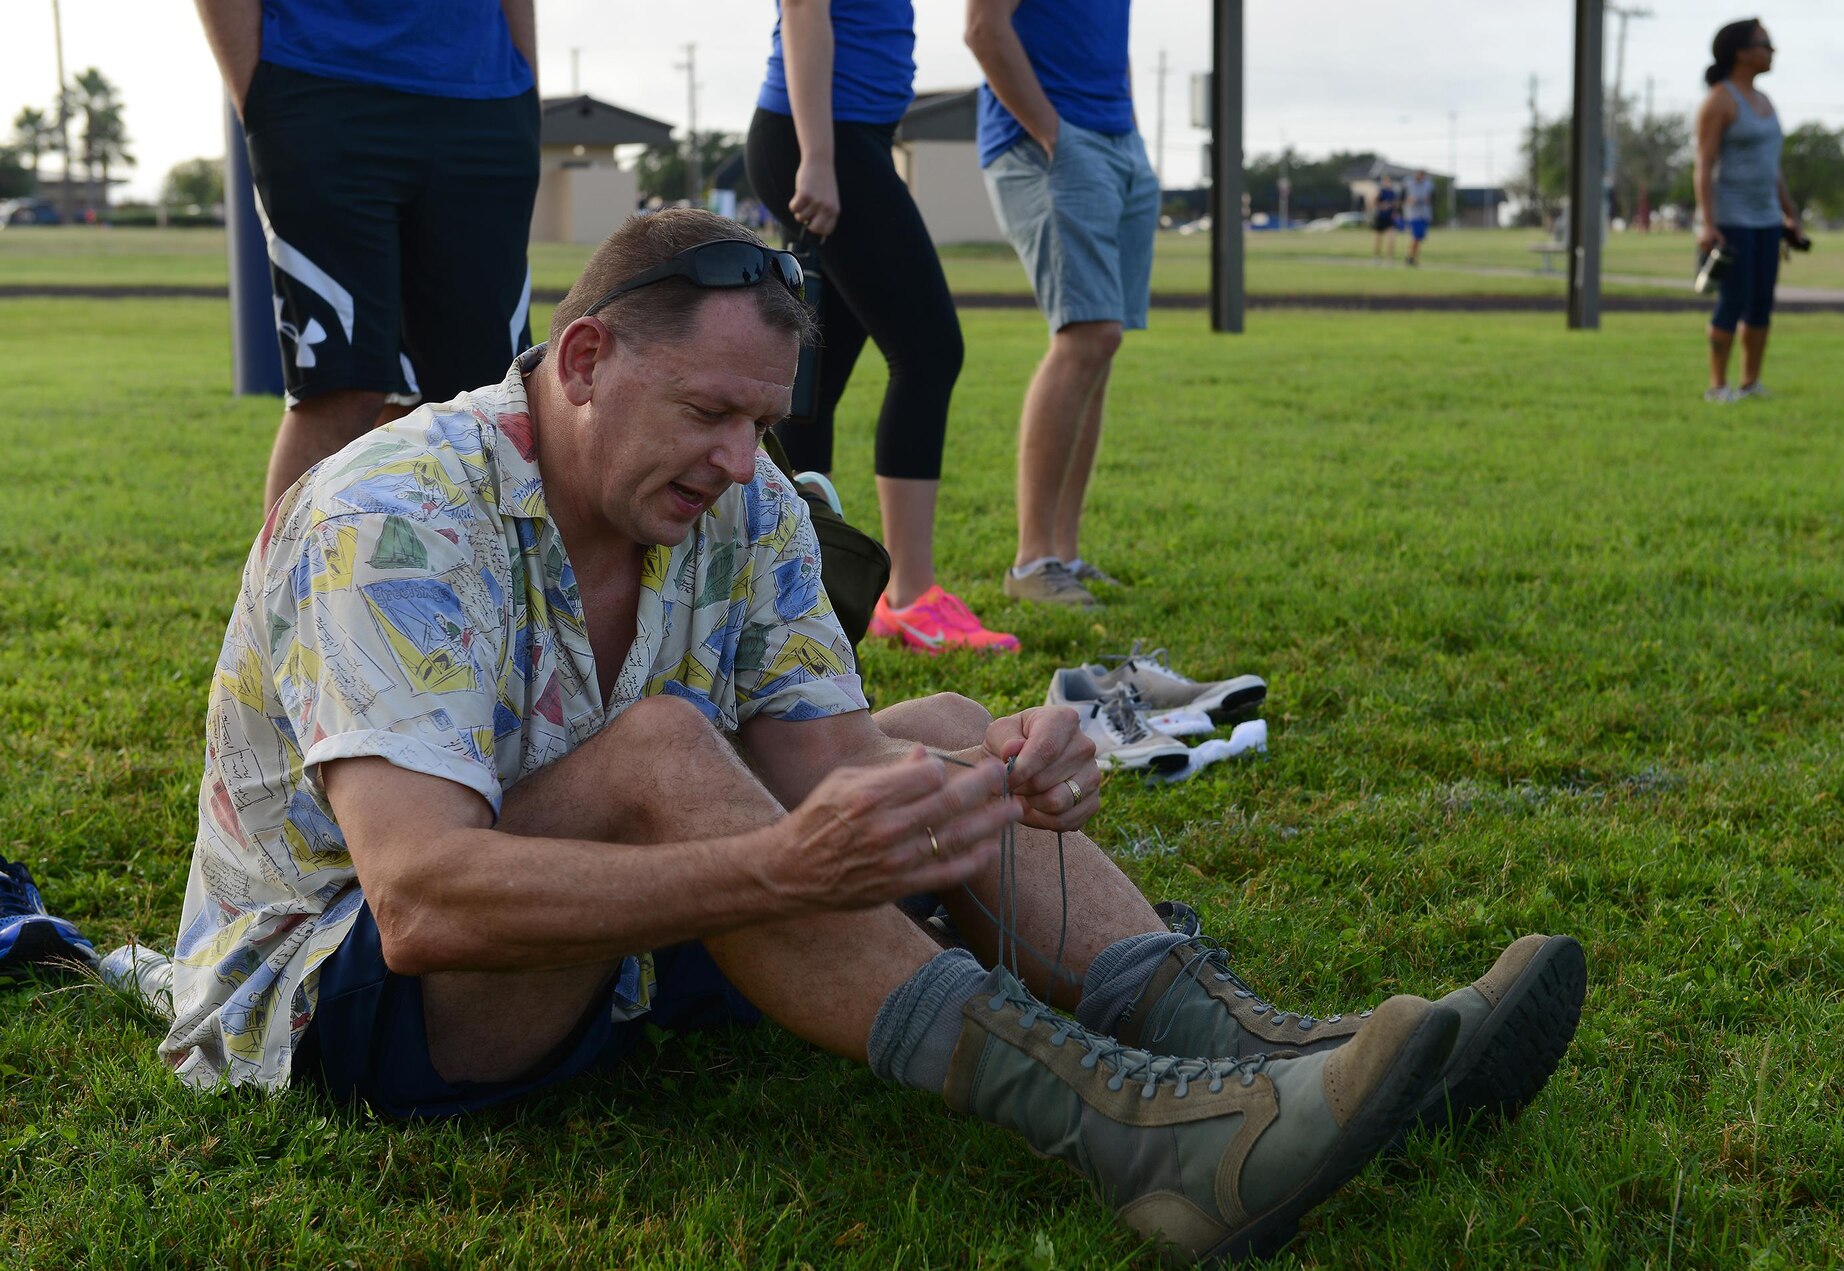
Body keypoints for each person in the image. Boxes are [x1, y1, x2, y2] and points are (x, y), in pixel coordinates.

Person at [158, 209, 1585, 1263]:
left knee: (953, 719)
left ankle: (1256, 1048)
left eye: (761, 420)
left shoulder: (744, 498)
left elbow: (830, 768)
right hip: (334, 994)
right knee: (665, 753)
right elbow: (419, 900)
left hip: (588, 932)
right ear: (583, 358)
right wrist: (782, 869)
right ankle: (1145, 1132)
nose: (739, 460)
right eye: (709, 410)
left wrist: (985, 783)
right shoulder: (396, 511)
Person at [178, 0, 542, 513]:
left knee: (489, 400)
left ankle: (452, 601)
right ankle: (277, 606)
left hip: (485, 94)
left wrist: (523, 78)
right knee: (340, 386)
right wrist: (260, 91)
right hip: (319, 83)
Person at [745, 0, 1016, 655]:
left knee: (813, 382)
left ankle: (792, 586)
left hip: (853, 135)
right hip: (820, 141)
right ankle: (911, 597)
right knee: (929, 350)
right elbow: (803, 2)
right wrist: (821, 158)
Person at [966, 0, 1161, 609]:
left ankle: (1065, 556)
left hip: (1117, 140)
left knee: (1101, 346)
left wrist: (1127, 131)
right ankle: (1031, 562)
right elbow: (984, 24)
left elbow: (1105, 31)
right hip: (1048, 142)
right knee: (1086, 336)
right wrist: (1053, 133)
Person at [1694, 18, 1800, 404]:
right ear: (1741, 52)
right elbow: (1703, 166)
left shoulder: (1766, 102)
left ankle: (1750, 382)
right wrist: (1708, 224)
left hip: (1767, 219)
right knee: (1732, 301)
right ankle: (1718, 386)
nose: (1772, 51)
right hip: (1731, 219)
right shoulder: (1719, 100)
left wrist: (1790, 215)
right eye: (1765, 43)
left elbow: (1772, 168)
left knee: (1760, 302)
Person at [1403, 169, 1435, 266]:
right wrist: (1411, 200)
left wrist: (1427, 200)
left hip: (1424, 214)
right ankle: (1411, 257)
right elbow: (1404, 199)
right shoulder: (1409, 185)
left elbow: (1432, 198)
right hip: (1414, 215)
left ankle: (1411, 256)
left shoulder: (1428, 186)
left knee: (1419, 238)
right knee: (1416, 237)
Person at [1371, 179, 1402, 260]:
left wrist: (1394, 208)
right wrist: (1382, 205)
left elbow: (1397, 204)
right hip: (1380, 217)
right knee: (1378, 239)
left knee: (1391, 238)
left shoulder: (1392, 193)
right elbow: (1374, 202)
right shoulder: (1380, 192)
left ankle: (1389, 257)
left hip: (1389, 218)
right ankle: (1376, 256)